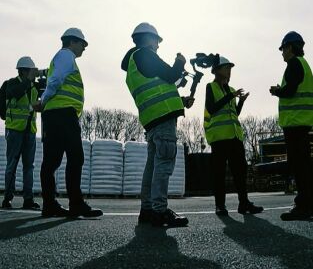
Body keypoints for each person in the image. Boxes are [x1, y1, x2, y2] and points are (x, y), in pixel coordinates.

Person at [121, 23, 194, 227]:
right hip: (162, 118)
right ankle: (159, 211)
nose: (158, 46)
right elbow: (171, 76)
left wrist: (180, 100)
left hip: (152, 119)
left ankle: (147, 210)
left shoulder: (134, 63)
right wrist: (179, 62)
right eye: (157, 41)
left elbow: (159, 85)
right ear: (148, 39)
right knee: (163, 164)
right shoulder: (145, 54)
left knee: (152, 166)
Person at [35, 28, 103, 218]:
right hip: (63, 115)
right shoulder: (66, 56)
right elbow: (55, 81)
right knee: (75, 157)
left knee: (51, 161)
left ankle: (49, 205)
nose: (84, 48)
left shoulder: (60, 58)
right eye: (83, 44)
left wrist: (45, 103)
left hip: (54, 116)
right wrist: (43, 100)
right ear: (72, 42)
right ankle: (76, 204)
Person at [204, 55, 263, 216]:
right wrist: (231, 96)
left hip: (235, 137)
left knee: (240, 172)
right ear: (217, 71)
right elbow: (212, 108)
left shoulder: (231, 90)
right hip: (219, 138)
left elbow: (234, 113)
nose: (229, 71)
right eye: (226, 68)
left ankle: (244, 204)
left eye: (230, 68)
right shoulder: (211, 87)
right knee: (219, 173)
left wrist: (241, 101)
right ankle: (220, 205)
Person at [270, 31, 313, 221]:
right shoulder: (304, 64)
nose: (281, 53)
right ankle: (306, 204)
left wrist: (277, 91)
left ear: (289, 47)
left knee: (300, 166)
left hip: (295, 123)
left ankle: (303, 206)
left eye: (283, 49)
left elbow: (291, 90)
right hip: (301, 122)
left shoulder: (294, 63)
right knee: (303, 164)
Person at [2, 57, 40, 210]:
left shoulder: (34, 86)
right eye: (31, 71)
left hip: (29, 130)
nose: (34, 73)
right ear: (24, 71)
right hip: (15, 130)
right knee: (12, 164)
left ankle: (28, 199)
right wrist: (28, 81)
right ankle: (7, 199)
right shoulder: (11, 83)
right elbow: (15, 93)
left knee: (29, 166)